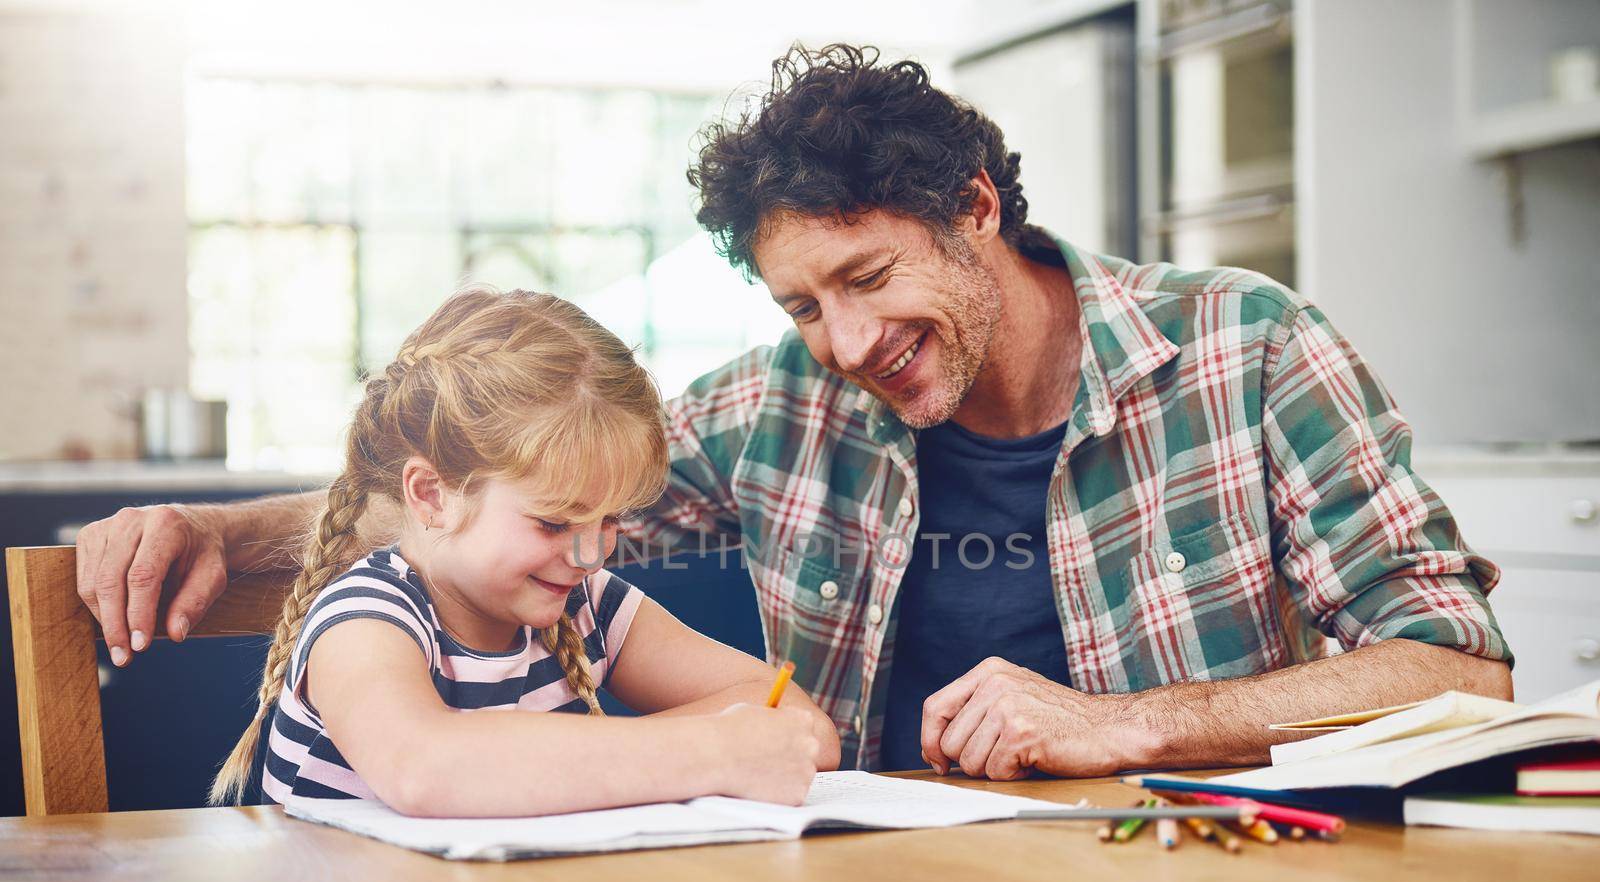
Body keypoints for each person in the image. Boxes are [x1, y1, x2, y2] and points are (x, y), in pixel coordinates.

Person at [77, 46, 1511, 783]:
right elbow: (496, 496)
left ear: (974, 211)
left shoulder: (1247, 349)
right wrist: (228, 527)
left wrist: (1124, 725)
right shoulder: (779, 407)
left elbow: (1455, 670)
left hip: (1202, 881)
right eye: (800, 306)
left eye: (868, 280)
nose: (846, 342)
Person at [206, 286, 836, 815]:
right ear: (432, 496)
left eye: (611, 518)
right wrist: (713, 752)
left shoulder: (587, 607)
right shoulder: (367, 619)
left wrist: (666, 754)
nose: (591, 554)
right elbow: (425, 768)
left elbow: (795, 717)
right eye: (553, 523)